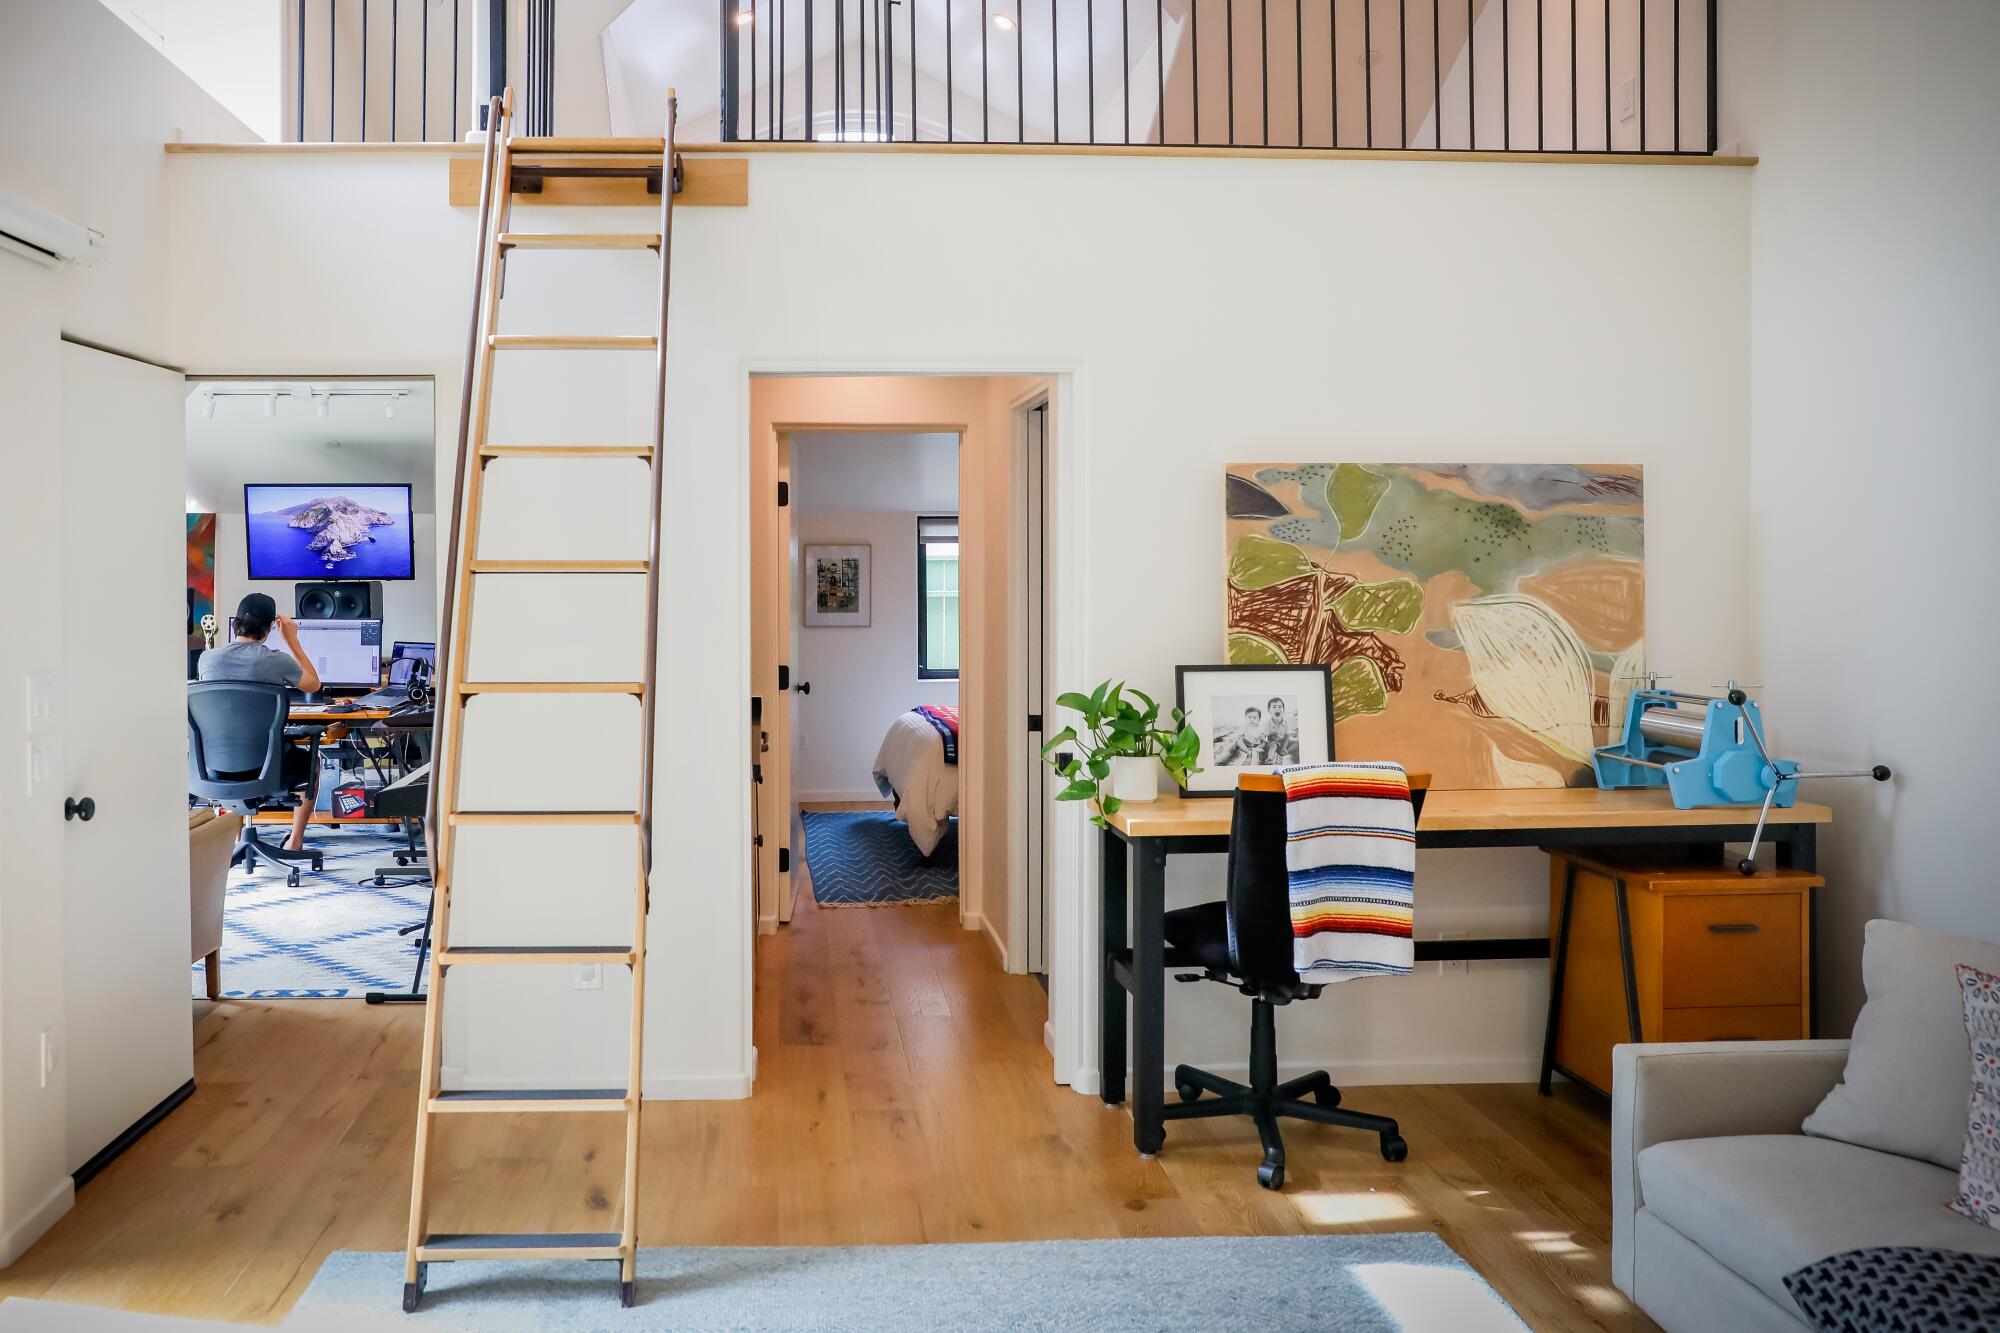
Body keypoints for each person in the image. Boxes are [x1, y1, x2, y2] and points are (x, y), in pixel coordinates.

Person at [197, 593, 321, 852]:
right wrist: (292, 641)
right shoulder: (276, 660)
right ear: (269, 628)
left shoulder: (207, 659)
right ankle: (295, 842)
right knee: (312, 762)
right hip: (266, 768)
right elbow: (313, 684)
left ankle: (234, 838)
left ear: (235, 624)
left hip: (214, 765)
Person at [1263, 696, 1300, 765]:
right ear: (1269, 711)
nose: (1277, 709)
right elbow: (1267, 737)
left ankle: (1284, 752)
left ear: (1283, 710)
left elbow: (1287, 736)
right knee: (1273, 745)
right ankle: (1270, 758)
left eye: (1280, 707)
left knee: (1297, 743)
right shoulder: (1268, 723)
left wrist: (1284, 747)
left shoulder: (1286, 722)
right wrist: (1272, 734)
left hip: (1284, 741)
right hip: (1273, 742)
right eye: (1274, 707)